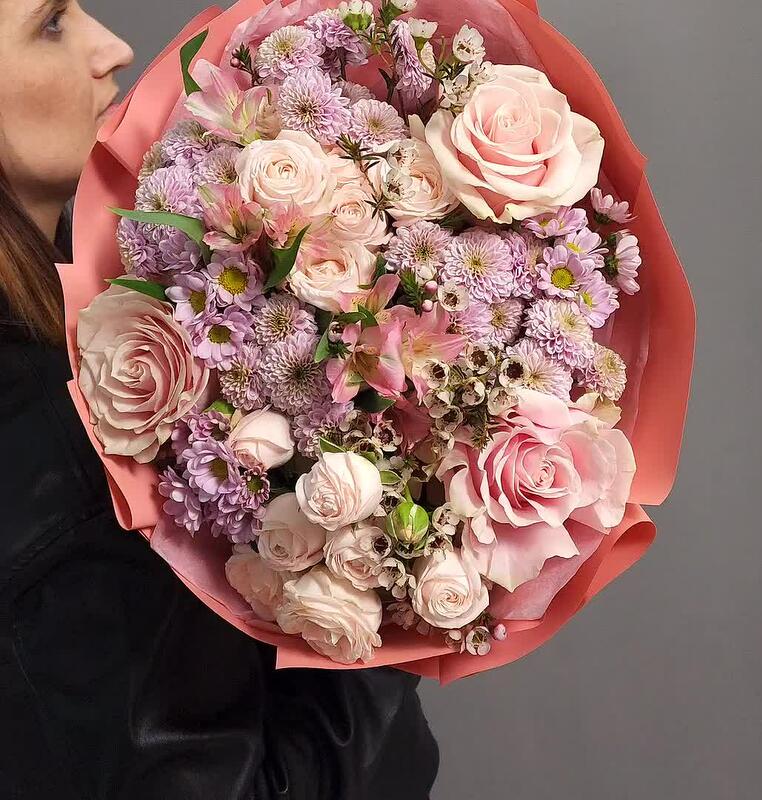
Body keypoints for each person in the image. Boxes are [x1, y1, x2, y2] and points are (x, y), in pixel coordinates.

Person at [0, 2, 439, 797]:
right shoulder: (45, 443)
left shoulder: (91, 326)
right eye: (51, 24)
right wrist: (378, 588)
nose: (114, 47)